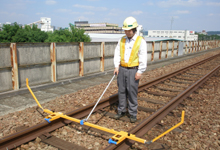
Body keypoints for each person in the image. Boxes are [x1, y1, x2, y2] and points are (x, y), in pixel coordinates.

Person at [113, 16, 147, 123]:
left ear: (134, 30)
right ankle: (121, 110)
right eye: (125, 30)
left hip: (133, 70)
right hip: (122, 69)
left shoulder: (140, 41)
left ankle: (132, 113)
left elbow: (143, 57)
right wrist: (116, 66)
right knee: (121, 90)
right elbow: (117, 54)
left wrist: (140, 71)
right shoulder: (122, 40)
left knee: (132, 91)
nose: (126, 32)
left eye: (128, 30)